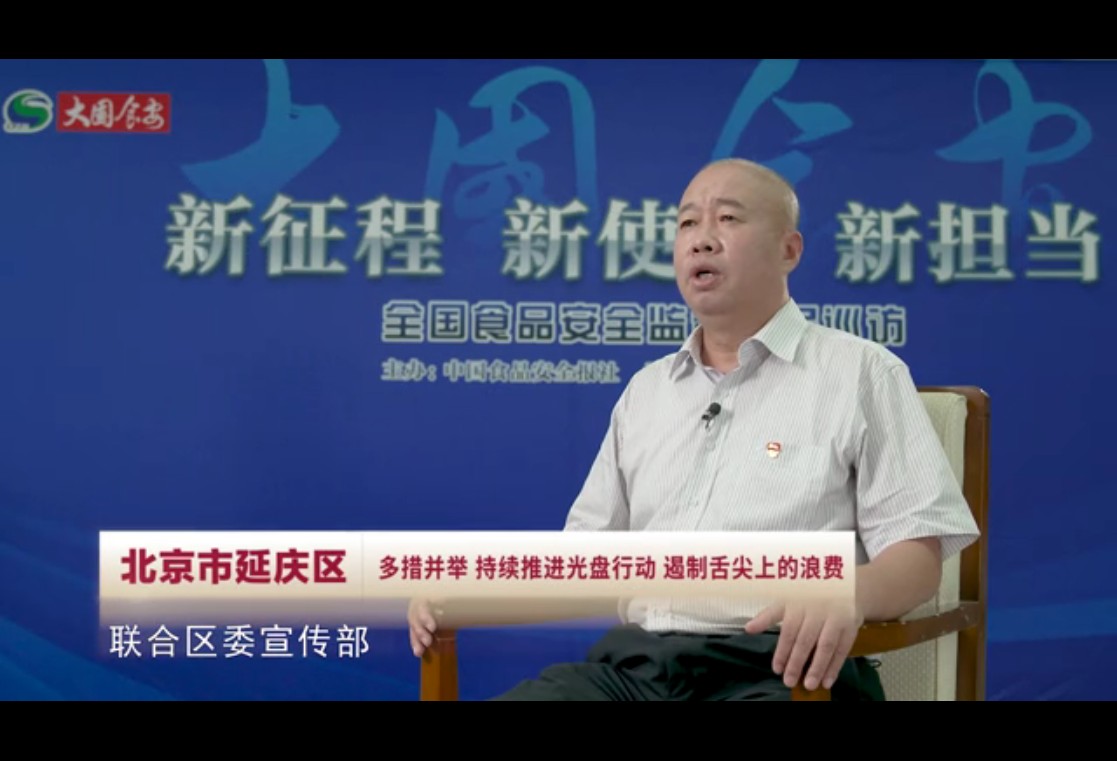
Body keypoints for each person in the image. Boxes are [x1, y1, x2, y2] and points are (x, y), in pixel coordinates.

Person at [408, 157, 981, 701]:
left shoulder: (861, 372)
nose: (702, 239)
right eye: (687, 223)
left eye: (728, 218)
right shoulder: (648, 392)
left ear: (789, 250)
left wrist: (847, 592)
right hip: (636, 674)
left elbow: (916, 558)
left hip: (783, 672)